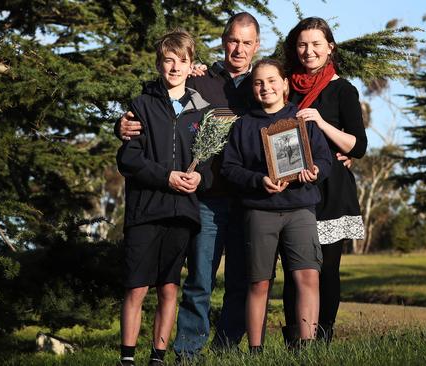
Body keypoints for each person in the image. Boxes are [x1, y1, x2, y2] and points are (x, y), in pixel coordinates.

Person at [117, 12, 261, 361]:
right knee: (199, 280)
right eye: (233, 40)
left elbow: (286, 116)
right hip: (205, 201)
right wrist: (120, 125)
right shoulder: (202, 79)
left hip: (247, 198)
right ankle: (187, 350)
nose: (238, 48)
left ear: (257, 46)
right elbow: (161, 106)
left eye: (247, 42)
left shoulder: (264, 81)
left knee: (241, 281)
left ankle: (227, 348)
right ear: (224, 41)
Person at [115, 29, 212, 366]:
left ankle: (158, 358)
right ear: (159, 64)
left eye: (181, 61)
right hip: (145, 211)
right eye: (168, 61)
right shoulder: (141, 106)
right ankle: (127, 358)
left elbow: (210, 164)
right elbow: (128, 159)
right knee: (136, 288)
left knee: (169, 288)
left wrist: (200, 176)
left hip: (182, 213)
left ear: (190, 66)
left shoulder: (201, 112)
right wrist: (166, 177)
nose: (174, 68)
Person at [221, 58, 331, 352]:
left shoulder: (302, 121)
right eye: (258, 82)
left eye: (271, 81)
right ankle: (255, 351)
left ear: (284, 84)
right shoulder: (243, 125)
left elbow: (324, 160)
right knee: (258, 283)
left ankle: (306, 348)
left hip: (300, 208)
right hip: (259, 211)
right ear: (252, 88)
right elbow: (229, 168)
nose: (265, 87)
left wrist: (315, 171)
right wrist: (259, 180)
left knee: (308, 276)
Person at [280, 17, 368, 345]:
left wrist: (321, 123)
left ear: (330, 48)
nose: (309, 51)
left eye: (317, 44)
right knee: (294, 272)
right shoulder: (283, 84)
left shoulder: (343, 89)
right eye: (303, 44)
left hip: (333, 192)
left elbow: (357, 146)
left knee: (327, 271)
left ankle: (324, 339)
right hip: (294, 188)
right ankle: (295, 342)